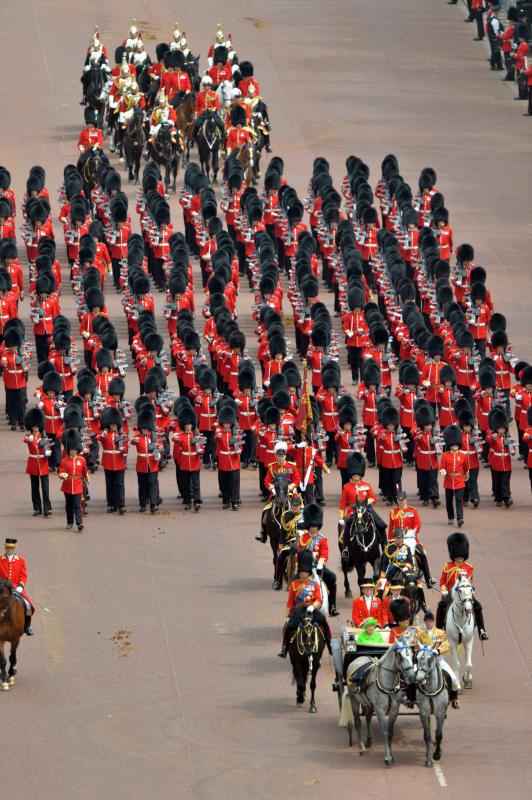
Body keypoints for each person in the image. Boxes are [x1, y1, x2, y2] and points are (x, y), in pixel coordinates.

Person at [278, 550, 331, 658]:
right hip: (298, 610)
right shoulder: (294, 585)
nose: (303, 573)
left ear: (308, 573)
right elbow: (290, 602)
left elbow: (319, 600)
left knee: (324, 623)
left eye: (305, 572)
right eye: (302, 571)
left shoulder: (314, 585)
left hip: (311, 609)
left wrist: (313, 606)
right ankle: (284, 649)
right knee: (288, 627)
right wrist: (287, 616)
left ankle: (330, 646)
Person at [436, 532, 488, 640]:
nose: (459, 558)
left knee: (478, 606)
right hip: (450, 592)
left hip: (464, 593)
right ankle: (438, 631)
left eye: (461, 556)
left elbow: (469, 581)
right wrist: (443, 589)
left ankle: (482, 630)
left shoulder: (469, 567)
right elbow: (442, 581)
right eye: (457, 556)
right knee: (441, 606)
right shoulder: (448, 566)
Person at [298, 503, 338, 616]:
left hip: (317, 566)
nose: (314, 528)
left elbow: (324, 553)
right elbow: (299, 553)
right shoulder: (303, 538)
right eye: (312, 526)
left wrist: (320, 563)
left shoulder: (322, 539)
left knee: (332, 578)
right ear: (308, 526)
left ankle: (332, 606)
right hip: (305, 568)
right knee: (294, 583)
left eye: (315, 526)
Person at [415, 610, 461, 708]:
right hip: (424, 662)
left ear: (433, 621)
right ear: (424, 622)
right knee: (413, 677)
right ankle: (414, 698)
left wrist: (438, 650)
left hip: (438, 660)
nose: (429, 623)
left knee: (453, 678)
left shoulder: (440, 633)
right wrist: (421, 650)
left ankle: (454, 699)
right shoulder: (420, 634)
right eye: (427, 621)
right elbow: (416, 646)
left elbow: (446, 645)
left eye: (430, 621)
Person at [0, 538, 34, 634]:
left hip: (16, 588)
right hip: (2, 588)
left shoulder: (21, 560)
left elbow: (23, 575)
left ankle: (28, 627)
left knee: (28, 605)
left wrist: (21, 586)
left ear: (14, 548)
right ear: (5, 548)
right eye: (7, 547)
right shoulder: (0, 560)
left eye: (11, 548)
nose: (9, 550)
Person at [130, 408, 161, 514]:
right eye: (143, 428)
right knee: (142, 485)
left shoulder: (154, 437)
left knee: (152, 483)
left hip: (152, 463)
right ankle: (142, 504)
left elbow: (160, 445)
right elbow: (132, 441)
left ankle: (153, 504)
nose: (144, 430)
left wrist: (158, 448)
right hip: (142, 464)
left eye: (146, 428)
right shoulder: (138, 437)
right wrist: (135, 440)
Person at [98, 406, 127, 514]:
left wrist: (123, 450)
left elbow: (126, 446)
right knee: (110, 484)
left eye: (115, 425)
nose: (114, 426)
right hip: (108, 461)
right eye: (112, 425)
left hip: (119, 461)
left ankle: (121, 505)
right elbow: (99, 438)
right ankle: (111, 504)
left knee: (120, 484)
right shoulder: (106, 434)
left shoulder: (122, 435)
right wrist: (103, 433)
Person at [23, 407, 52, 517]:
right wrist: (30, 438)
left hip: (43, 463)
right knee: (34, 488)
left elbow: (48, 447)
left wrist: (48, 452)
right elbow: (25, 439)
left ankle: (47, 508)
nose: (35, 428)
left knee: (45, 488)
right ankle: (37, 508)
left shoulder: (44, 436)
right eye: (33, 426)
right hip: (33, 463)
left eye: (37, 426)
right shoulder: (28, 436)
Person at [58, 428, 88, 531]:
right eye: (71, 450)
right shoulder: (65, 461)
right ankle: (70, 522)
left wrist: (86, 478)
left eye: (74, 450)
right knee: (69, 505)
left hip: (78, 485)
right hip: (67, 485)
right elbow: (60, 472)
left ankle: (79, 523)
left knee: (77, 505)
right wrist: (62, 475)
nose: (73, 451)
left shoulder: (82, 460)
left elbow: (84, 471)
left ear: (77, 450)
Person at [440, 424, 469, 527]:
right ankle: (451, 517)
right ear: (450, 445)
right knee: (449, 501)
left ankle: (460, 518)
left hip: (459, 480)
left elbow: (466, 467)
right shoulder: (445, 456)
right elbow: (442, 467)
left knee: (459, 500)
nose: (455, 446)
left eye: (456, 444)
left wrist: (466, 475)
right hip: (448, 481)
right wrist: (443, 472)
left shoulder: (463, 456)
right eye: (453, 444)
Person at [273, 493, 303, 590]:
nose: (295, 507)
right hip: (289, 543)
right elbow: (282, 531)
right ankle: (278, 581)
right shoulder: (285, 515)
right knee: (281, 558)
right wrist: (281, 544)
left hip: (302, 543)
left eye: (297, 506)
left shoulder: (304, 516)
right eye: (293, 505)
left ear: (300, 506)